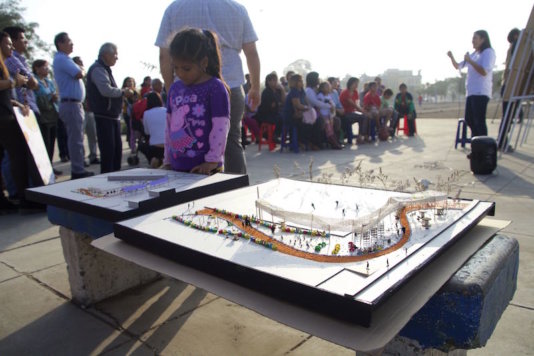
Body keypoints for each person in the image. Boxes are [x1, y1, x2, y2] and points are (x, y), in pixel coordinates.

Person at [156, 0, 261, 175]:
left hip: (187, 89)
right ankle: (237, 192)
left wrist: (173, 89)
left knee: (187, 136)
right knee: (232, 140)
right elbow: (251, 52)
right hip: (231, 83)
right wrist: (255, 87)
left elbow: (163, 55)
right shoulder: (235, 8)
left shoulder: (174, 8)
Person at [163, 28, 230, 175]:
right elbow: (169, 127)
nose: (180, 73)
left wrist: (212, 161)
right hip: (176, 166)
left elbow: (221, 127)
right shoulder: (175, 89)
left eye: (186, 68)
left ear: (204, 62)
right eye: (175, 68)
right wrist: (167, 160)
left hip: (205, 169)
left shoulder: (215, 88)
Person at [0, 31, 44, 212]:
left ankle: (14, 200)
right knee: (17, 158)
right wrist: (13, 83)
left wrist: (18, 104)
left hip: (7, 113)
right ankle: (24, 200)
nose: (11, 47)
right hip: (3, 119)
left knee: (16, 157)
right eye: (8, 44)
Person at [86, 43, 133, 173]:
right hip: (104, 116)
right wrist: (123, 92)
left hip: (112, 116)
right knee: (108, 153)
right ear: (106, 55)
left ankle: (115, 179)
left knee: (116, 152)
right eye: (115, 54)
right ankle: (107, 183)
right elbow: (105, 90)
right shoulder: (98, 69)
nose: (116, 58)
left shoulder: (104, 69)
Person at [52, 32, 94, 179]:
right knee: (75, 139)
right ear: (60, 44)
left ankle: (79, 167)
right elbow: (79, 73)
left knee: (77, 138)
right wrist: (81, 68)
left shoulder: (64, 59)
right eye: (69, 41)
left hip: (73, 104)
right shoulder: (62, 59)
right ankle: (77, 170)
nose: (72, 44)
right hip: (70, 104)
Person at [447, 30, 496, 138]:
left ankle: (483, 146)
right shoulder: (474, 54)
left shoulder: (488, 52)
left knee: (479, 121)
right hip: (471, 92)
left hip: (481, 92)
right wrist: (451, 57)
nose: (472, 41)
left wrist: (470, 61)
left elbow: (484, 71)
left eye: (475, 38)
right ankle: (476, 145)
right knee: (469, 119)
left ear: (483, 39)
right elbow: (458, 66)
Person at [32, 59, 62, 175]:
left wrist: (54, 97)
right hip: (42, 117)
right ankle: (42, 170)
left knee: (51, 144)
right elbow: (35, 98)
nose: (47, 69)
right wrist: (50, 97)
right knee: (44, 144)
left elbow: (54, 94)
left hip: (52, 116)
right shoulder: (34, 82)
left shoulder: (48, 82)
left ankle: (50, 167)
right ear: (37, 68)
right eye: (45, 67)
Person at [73, 56, 99, 166]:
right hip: (80, 109)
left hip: (90, 110)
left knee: (92, 135)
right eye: (78, 63)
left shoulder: (87, 77)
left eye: (82, 62)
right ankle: (81, 158)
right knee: (80, 136)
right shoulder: (73, 76)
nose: (81, 64)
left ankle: (93, 156)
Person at [498, 28, 521, 150]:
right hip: (510, 85)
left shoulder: (512, 48)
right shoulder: (516, 47)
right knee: (508, 116)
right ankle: (502, 142)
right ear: (516, 36)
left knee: (507, 116)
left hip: (508, 85)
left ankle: (502, 141)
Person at [282, 74, 309, 152]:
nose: (302, 82)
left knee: (313, 121)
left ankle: (307, 142)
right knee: (303, 123)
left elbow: (306, 102)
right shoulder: (294, 91)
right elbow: (297, 105)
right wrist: (306, 108)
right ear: (295, 82)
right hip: (290, 115)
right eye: (300, 81)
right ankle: (299, 142)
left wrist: (308, 108)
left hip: (299, 113)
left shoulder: (302, 91)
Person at [339, 77, 369, 144]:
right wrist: (362, 111)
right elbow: (353, 104)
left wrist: (363, 110)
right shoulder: (345, 92)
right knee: (363, 116)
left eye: (357, 84)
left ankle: (361, 135)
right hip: (345, 113)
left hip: (352, 112)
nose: (356, 85)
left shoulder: (355, 92)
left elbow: (357, 103)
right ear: (350, 83)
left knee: (364, 117)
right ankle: (360, 137)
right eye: (355, 83)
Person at [255, 72, 285, 139]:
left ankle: (277, 135)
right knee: (280, 118)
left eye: (275, 80)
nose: (275, 82)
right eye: (272, 80)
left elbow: (283, 101)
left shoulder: (278, 91)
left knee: (285, 117)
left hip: (275, 112)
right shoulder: (266, 92)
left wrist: (282, 90)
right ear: (268, 82)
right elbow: (272, 105)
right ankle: (274, 136)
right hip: (266, 114)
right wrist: (278, 104)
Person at [140, 92, 166, 167]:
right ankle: (161, 160)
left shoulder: (146, 113)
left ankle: (155, 160)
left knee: (142, 145)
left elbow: (146, 132)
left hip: (155, 146)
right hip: (168, 144)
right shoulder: (166, 110)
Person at [317, 81, 342, 149]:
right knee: (328, 125)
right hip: (322, 115)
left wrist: (331, 116)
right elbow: (318, 108)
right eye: (326, 87)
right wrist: (323, 117)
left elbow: (332, 107)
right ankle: (333, 142)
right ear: (322, 88)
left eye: (329, 86)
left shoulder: (329, 96)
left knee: (337, 121)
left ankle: (337, 140)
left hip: (329, 115)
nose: (328, 88)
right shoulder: (320, 96)